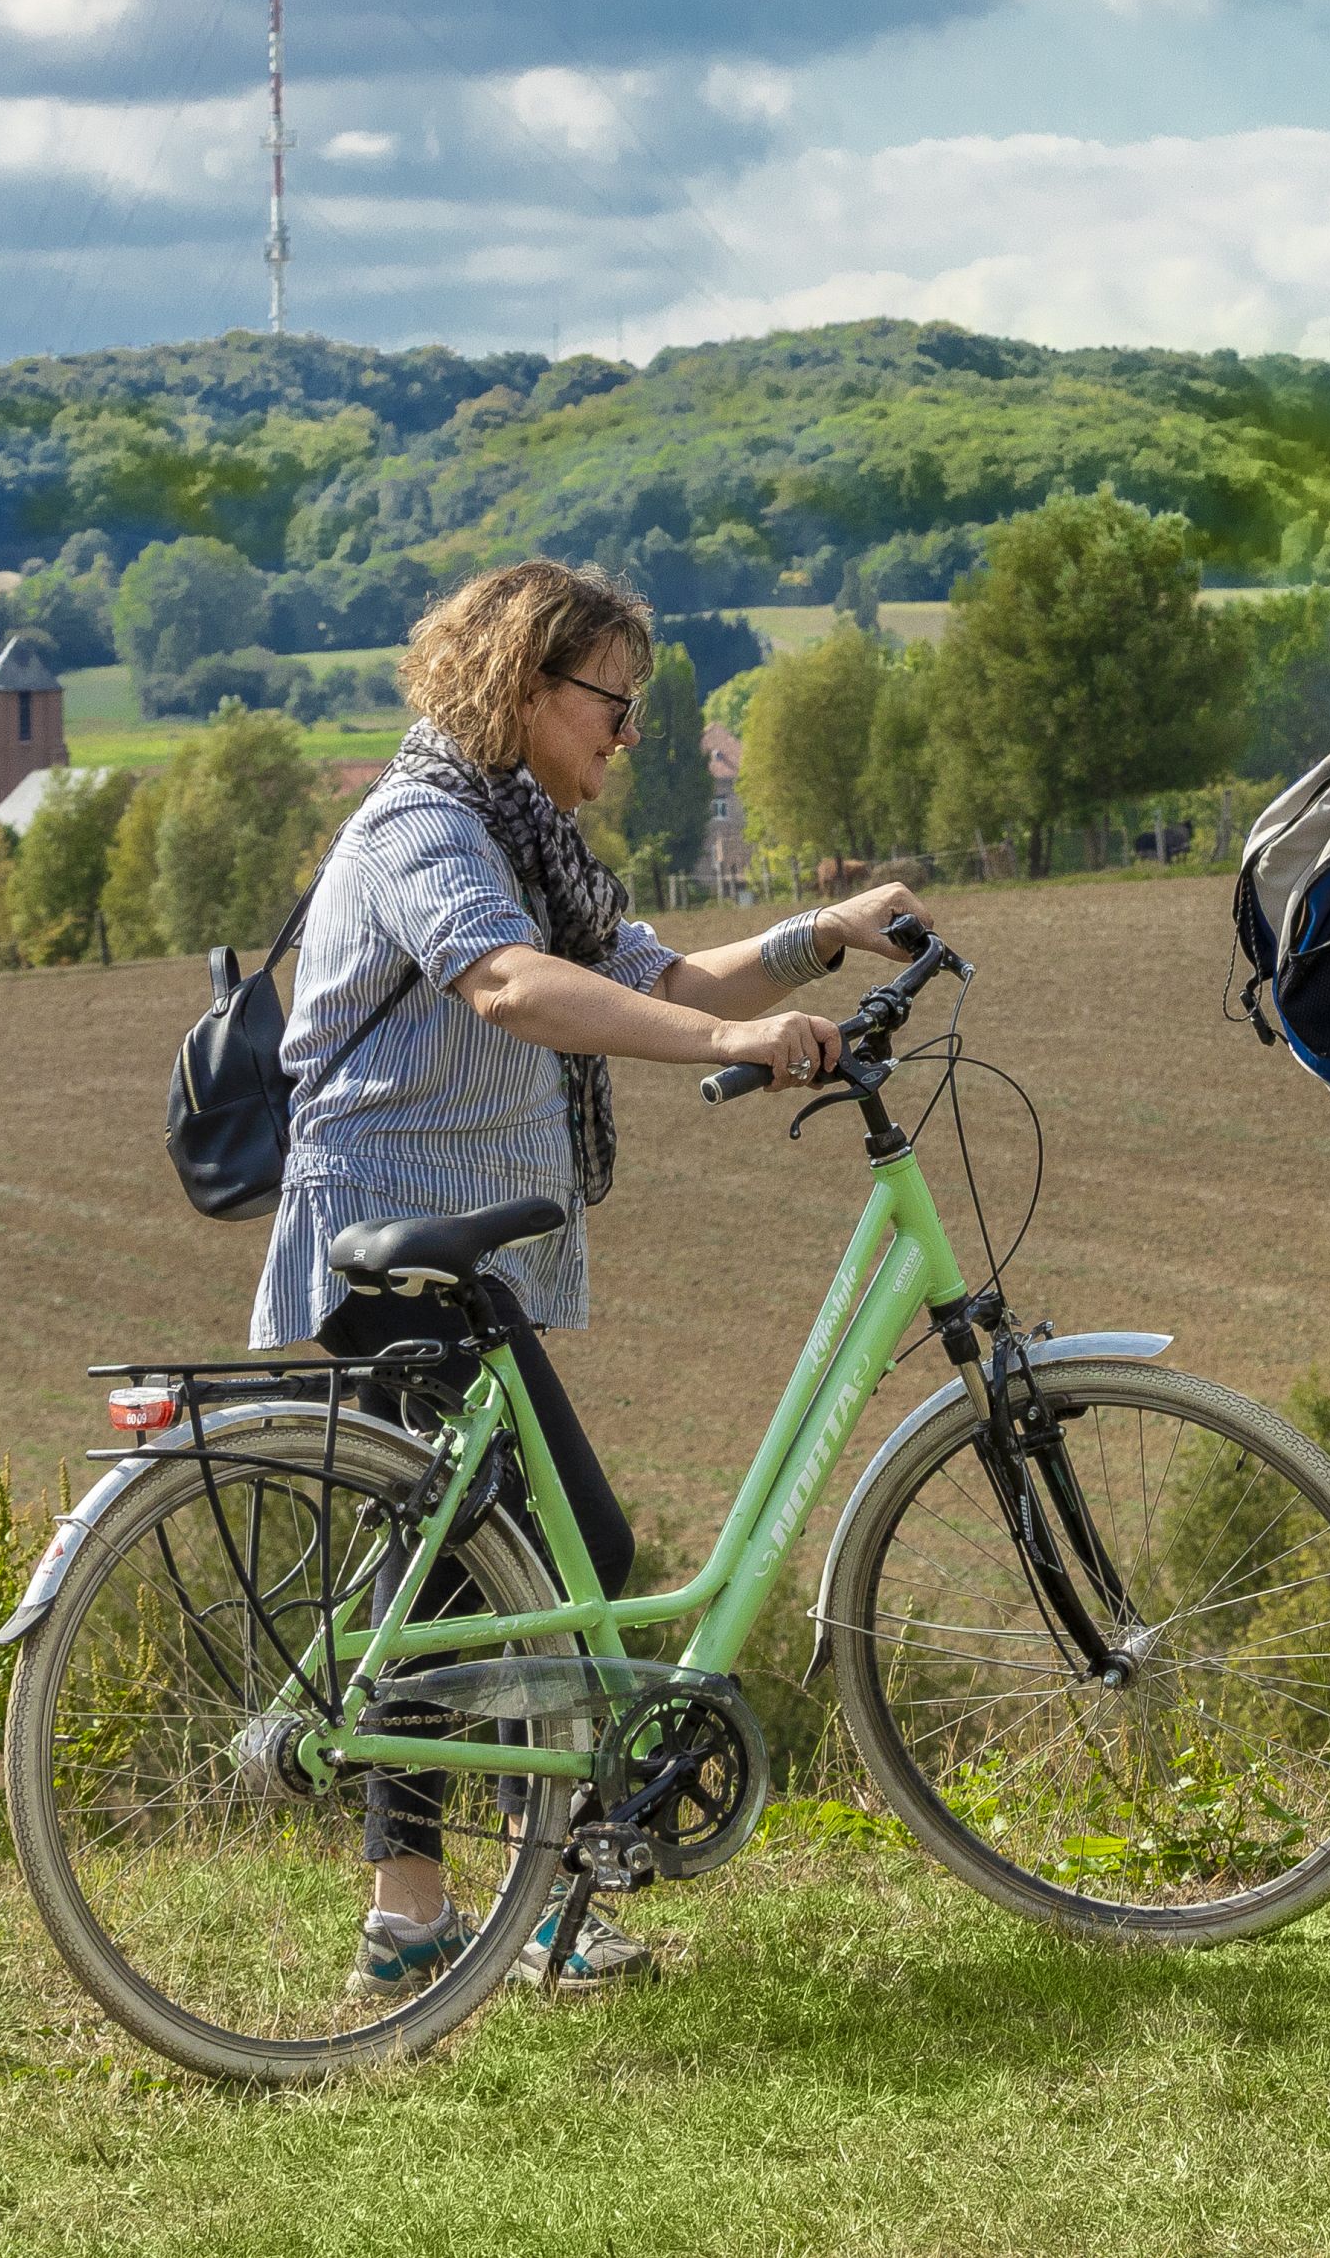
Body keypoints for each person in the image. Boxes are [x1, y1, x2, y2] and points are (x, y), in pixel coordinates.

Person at [253, 555, 926, 1992]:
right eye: (609, 703)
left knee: (506, 1567)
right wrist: (736, 1047)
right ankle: (460, 1913)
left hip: (462, 1244)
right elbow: (507, 983)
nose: (628, 733)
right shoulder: (423, 823)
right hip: (386, 1239)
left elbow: (662, 977)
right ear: (521, 683)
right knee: (528, 1565)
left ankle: (466, 1908)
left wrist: (821, 936)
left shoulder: (527, 837)